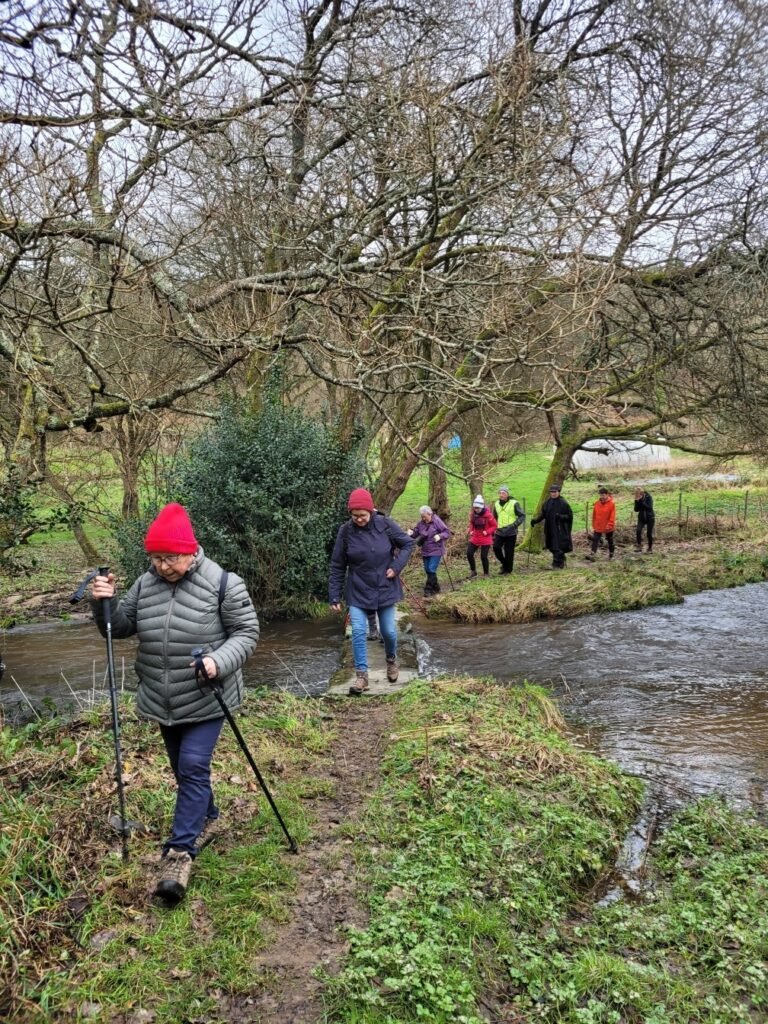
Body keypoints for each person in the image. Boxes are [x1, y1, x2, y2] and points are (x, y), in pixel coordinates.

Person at [90, 503, 259, 904]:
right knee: (184, 771)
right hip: (162, 697)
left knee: (193, 765)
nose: (163, 565)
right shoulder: (145, 586)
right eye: (156, 557)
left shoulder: (223, 583)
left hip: (207, 696)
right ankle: (209, 816)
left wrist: (219, 660)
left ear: (190, 550)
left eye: (170, 557)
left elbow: (247, 633)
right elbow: (119, 628)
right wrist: (104, 603)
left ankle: (179, 853)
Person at [329, 488, 414, 695]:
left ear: (370, 511)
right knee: (358, 630)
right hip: (357, 588)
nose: (359, 519)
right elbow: (337, 564)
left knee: (389, 632)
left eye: (363, 515)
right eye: (355, 515)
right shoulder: (346, 531)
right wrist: (334, 594)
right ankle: (361, 677)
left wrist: (396, 566)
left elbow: (407, 544)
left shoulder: (386, 525)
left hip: (385, 586)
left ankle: (391, 661)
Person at [407, 505, 452, 596]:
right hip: (425, 550)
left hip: (436, 549)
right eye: (422, 516)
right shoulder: (421, 523)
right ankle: (436, 587)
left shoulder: (437, 521)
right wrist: (411, 533)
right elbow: (416, 532)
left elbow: (447, 532)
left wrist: (440, 536)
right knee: (427, 570)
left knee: (431, 569)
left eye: (425, 516)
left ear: (429, 514)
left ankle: (428, 590)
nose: (423, 518)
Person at [530, 483, 573, 569]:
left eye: (555, 492)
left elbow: (570, 516)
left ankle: (557, 564)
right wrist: (535, 521)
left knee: (557, 546)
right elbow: (543, 514)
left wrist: (560, 516)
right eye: (552, 492)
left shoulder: (563, 503)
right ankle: (561, 559)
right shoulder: (547, 502)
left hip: (559, 529)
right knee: (551, 546)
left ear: (558, 492)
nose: (553, 493)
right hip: (549, 527)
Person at [492, 485, 526, 574]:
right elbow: (494, 517)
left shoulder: (514, 503)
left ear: (507, 494)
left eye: (503, 493)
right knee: (496, 547)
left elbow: (522, 516)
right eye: (500, 493)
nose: (501, 495)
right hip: (500, 531)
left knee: (509, 552)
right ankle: (504, 563)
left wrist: (514, 525)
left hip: (511, 531)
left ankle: (508, 570)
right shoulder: (496, 504)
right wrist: (493, 528)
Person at [466, 494, 497, 578]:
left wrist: (487, 532)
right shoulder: (473, 514)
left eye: (478, 508)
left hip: (485, 538)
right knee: (469, 553)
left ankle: (486, 573)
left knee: (483, 556)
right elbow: (471, 523)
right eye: (475, 508)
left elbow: (494, 526)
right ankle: (473, 571)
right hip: (475, 537)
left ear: (482, 507)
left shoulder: (489, 515)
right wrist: (471, 530)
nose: (476, 510)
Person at [586, 487, 616, 560]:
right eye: (600, 495)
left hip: (608, 526)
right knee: (595, 539)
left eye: (603, 495)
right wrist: (593, 524)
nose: (602, 497)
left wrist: (610, 525)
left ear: (607, 495)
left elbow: (612, 516)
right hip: (598, 525)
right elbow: (594, 515)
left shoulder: (611, 504)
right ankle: (592, 554)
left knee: (610, 539)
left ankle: (611, 554)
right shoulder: (597, 503)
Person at [634, 486, 655, 552]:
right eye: (636, 494)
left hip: (650, 517)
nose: (637, 495)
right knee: (638, 530)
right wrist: (637, 502)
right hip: (641, 517)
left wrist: (642, 502)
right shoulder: (637, 498)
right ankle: (639, 546)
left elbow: (649, 507)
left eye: (639, 494)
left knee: (649, 533)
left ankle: (650, 547)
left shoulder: (649, 497)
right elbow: (636, 510)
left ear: (642, 493)